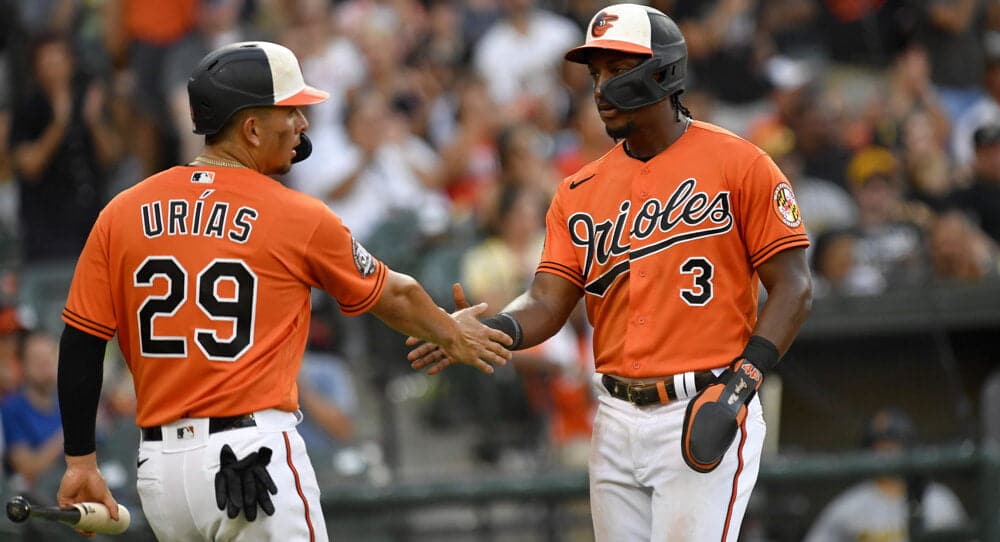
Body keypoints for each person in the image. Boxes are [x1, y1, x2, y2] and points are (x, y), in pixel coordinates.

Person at [53, 41, 512, 542]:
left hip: (161, 474)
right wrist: (452, 334)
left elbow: (81, 341)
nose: (304, 124)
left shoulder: (122, 210)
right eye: (292, 110)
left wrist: (80, 461)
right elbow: (395, 295)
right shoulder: (294, 214)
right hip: (251, 458)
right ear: (251, 128)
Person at [409, 5, 813, 540]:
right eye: (595, 73)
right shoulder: (578, 191)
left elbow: (795, 286)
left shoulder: (740, 163)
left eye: (617, 69)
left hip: (705, 401)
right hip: (615, 416)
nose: (601, 87)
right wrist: (494, 328)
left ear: (664, 73)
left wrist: (741, 387)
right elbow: (547, 301)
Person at [803, 407, 968, 542]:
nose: (885, 454)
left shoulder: (939, 501)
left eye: (893, 446)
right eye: (879, 447)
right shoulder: (849, 505)